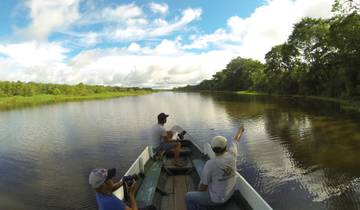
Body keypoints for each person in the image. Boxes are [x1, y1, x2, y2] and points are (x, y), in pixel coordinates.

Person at [185, 126, 245, 210]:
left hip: (216, 200)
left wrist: (199, 192)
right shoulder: (232, 154)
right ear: (225, 147)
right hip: (229, 196)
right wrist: (240, 131)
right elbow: (236, 140)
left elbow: (203, 186)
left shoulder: (210, 164)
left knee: (188, 197)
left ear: (213, 149)